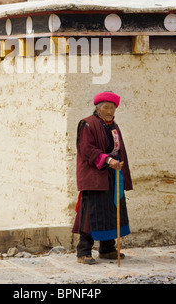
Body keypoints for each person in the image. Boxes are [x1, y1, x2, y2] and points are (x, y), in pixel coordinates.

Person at [72, 91, 133, 264]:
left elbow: (117, 148)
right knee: (92, 213)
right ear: (97, 108)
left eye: (112, 108)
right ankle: (83, 251)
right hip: (94, 175)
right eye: (106, 107)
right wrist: (108, 159)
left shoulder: (113, 126)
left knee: (110, 211)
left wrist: (117, 163)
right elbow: (87, 150)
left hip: (112, 175)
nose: (109, 111)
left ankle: (107, 249)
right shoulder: (87, 125)